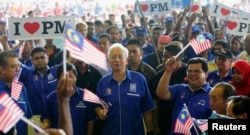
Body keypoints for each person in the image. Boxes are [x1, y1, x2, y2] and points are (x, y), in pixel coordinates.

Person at [95, 43, 155, 135]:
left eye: (120, 57)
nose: (117, 60)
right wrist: (99, 111)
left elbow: (147, 109)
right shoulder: (102, 83)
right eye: (113, 57)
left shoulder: (139, 79)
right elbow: (97, 105)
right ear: (108, 60)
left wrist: (150, 131)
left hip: (135, 132)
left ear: (126, 60)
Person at [156, 57, 212, 134]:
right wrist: (169, 71)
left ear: (206, 74)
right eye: (189, 71)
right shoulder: (180, 88)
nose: (192, 74)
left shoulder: (213, 94)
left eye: (197, 71)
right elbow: (161, 94)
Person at [41, 63, 97, 135]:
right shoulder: (51, 98)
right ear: (58, 79)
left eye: (71, 76)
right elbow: (47, 117)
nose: (68, 80)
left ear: (76, 77)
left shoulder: (86, 95)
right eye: (64, 77)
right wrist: (46, 123)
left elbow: (90, 121)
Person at [151, 44, 187, 135]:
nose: (163, 59)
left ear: (176, 58)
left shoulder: (189, 73)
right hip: (165, 122)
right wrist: (155, 126)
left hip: (185, 122)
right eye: (163, 56)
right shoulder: (159, 76)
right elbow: (155, 101)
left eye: (166, 56)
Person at [0, 51, 32, 135]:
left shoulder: (21, 88)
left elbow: (28, 116)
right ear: (2, 69)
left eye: (18, 66)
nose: (18, 70)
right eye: (13, 67)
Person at [19, 47, 58, 115]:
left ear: (48, 58)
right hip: (35, 117)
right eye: (36, 58)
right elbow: (13, 62)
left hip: (55, 115)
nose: (40, 60)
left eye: (42, 57)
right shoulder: (27, 73)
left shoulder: (56, 71)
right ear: (31, 60)